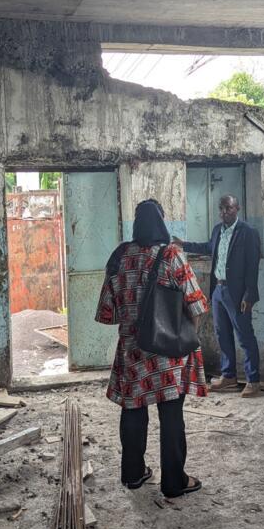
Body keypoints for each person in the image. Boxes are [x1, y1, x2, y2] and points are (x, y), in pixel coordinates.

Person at [95, 199, 210, 498]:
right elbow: (197, 305)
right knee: (171, 416)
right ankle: (174, 482)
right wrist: (185, 337)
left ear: (136, 223)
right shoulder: (172, 255)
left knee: (133, 412)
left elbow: (108, 313)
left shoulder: (120, 257)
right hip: (169, 354)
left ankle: (133, 474)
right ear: (161, 222)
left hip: (133, 354)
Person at [173, 194, 262, 397]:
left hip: (238, 293)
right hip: (218, 291)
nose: (224, 212)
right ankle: (228, 376)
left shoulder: (248, 233)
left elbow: (252, 268)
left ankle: (253, 380)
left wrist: (249, 296)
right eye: (221, 209)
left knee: (245, 335)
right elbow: (207, 247)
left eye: (228, 208)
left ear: (237, 208)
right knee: (222, 334)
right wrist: (183, 244)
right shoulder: (217, 231)